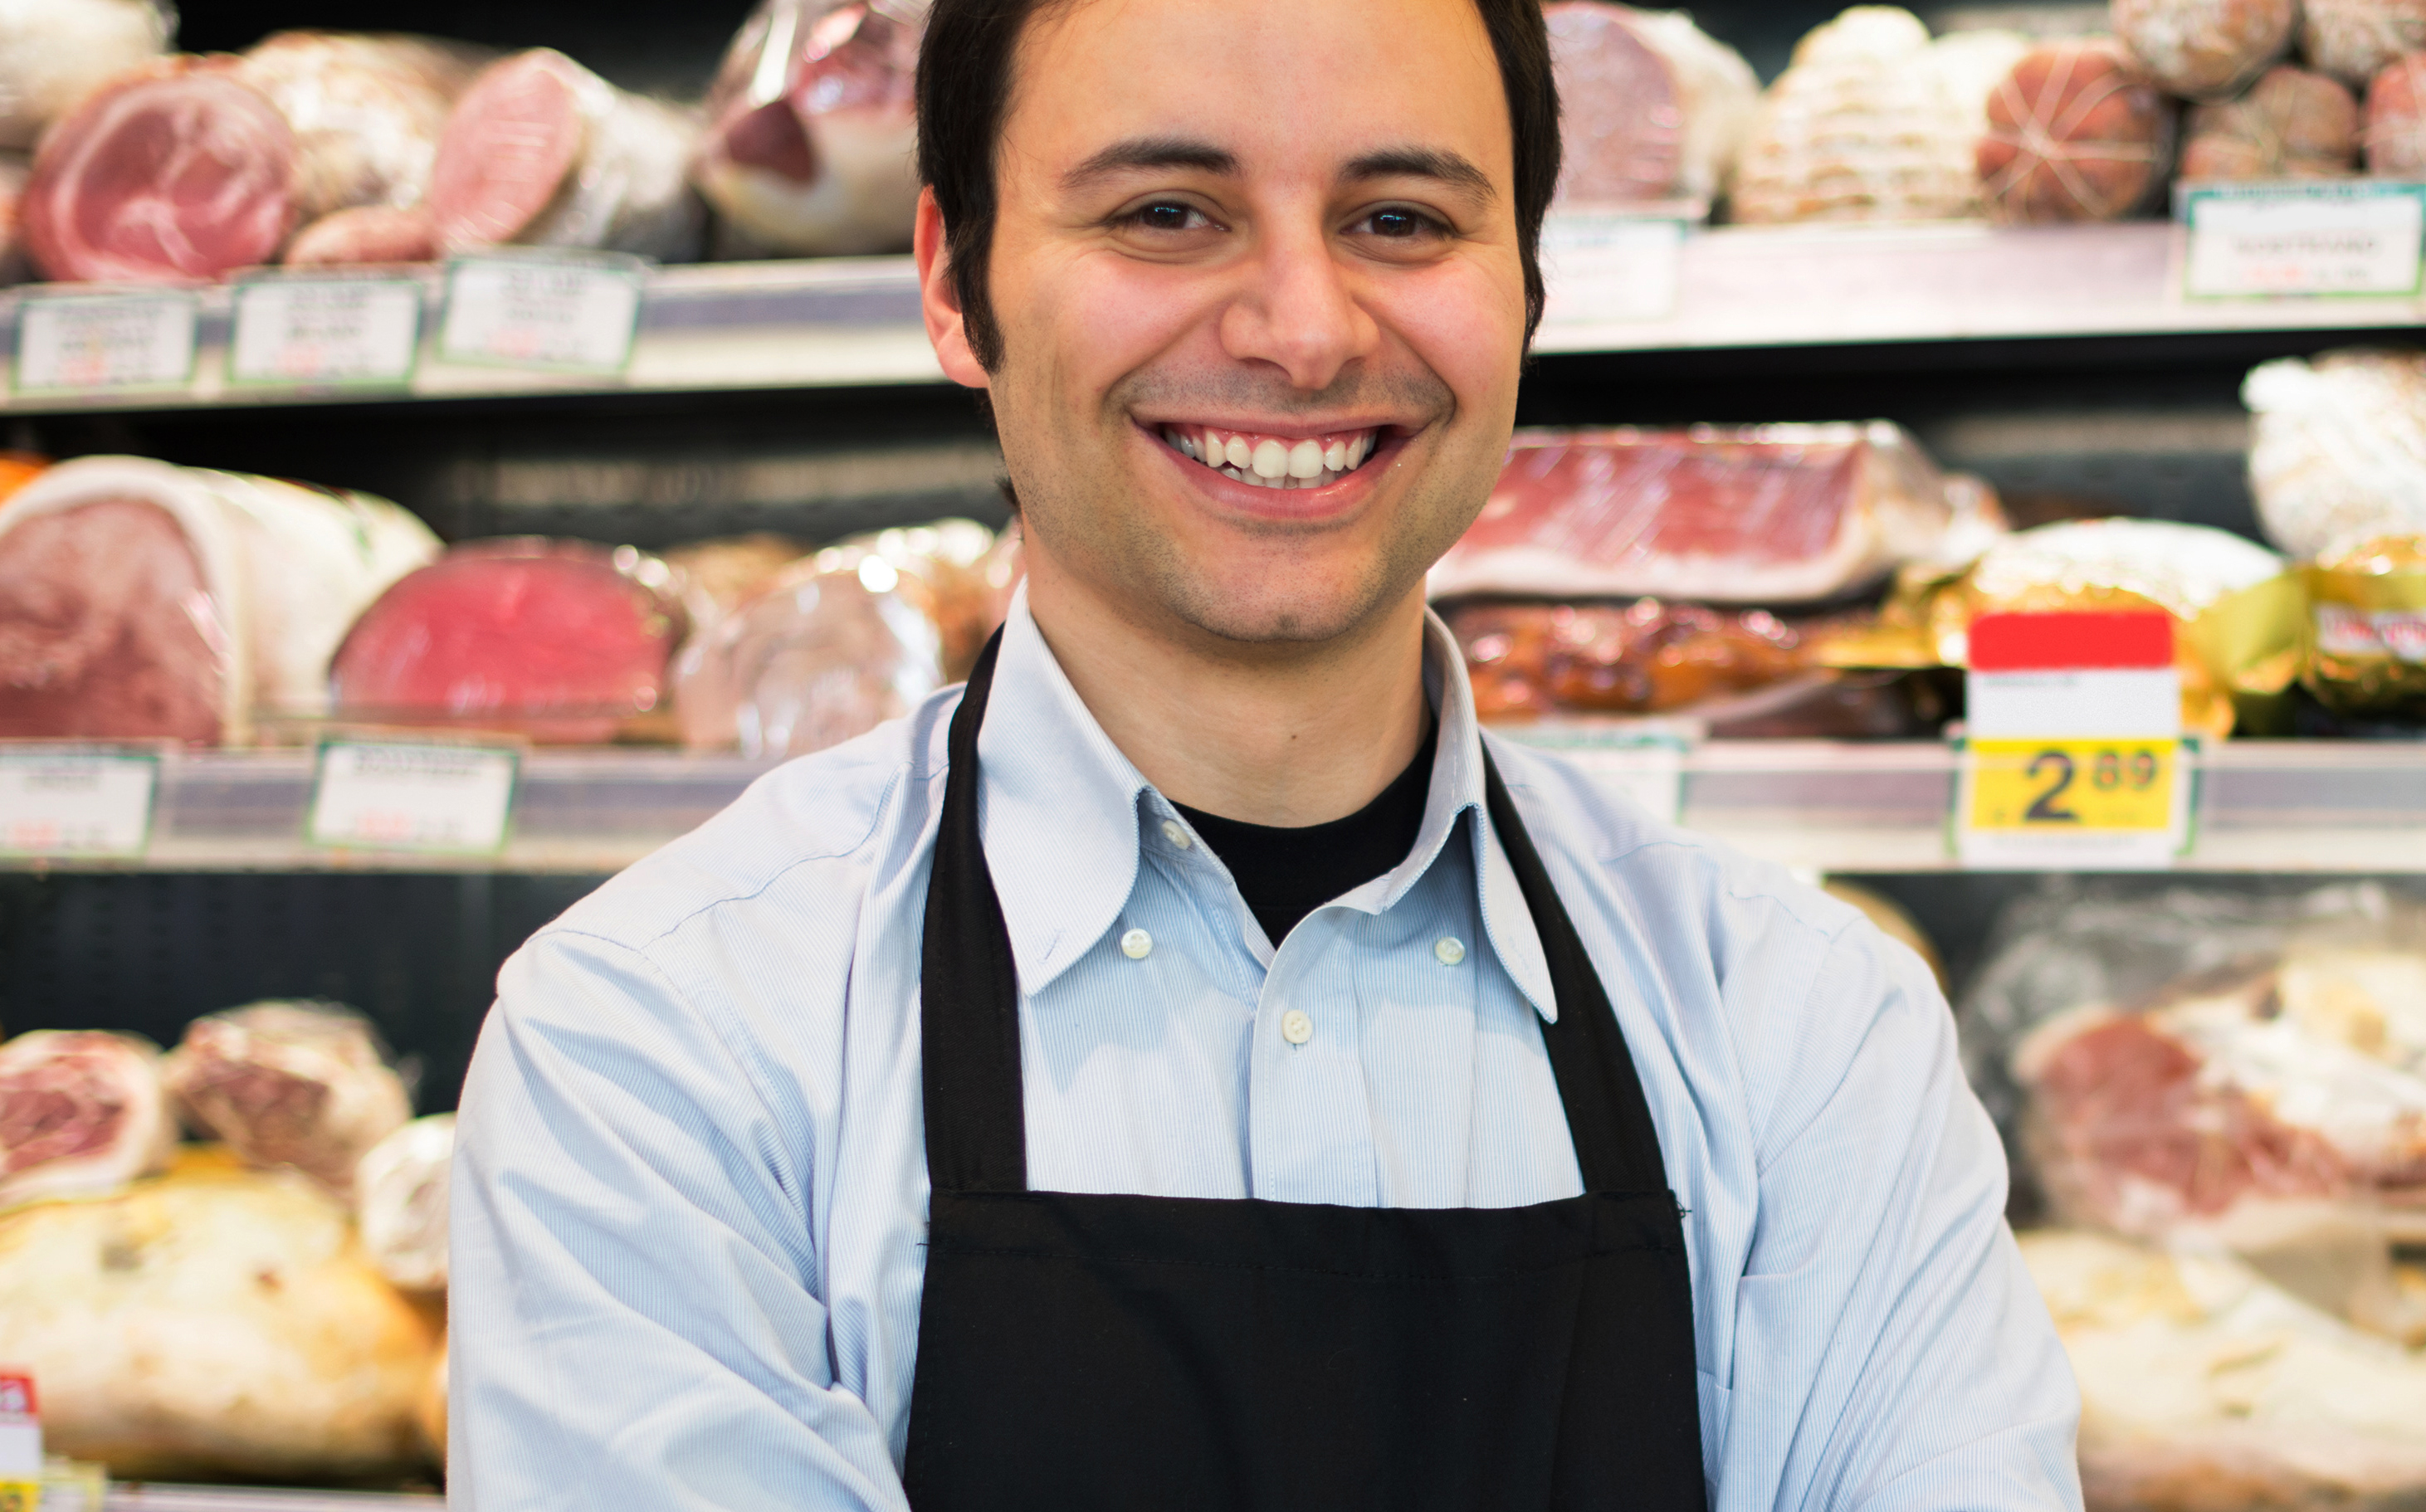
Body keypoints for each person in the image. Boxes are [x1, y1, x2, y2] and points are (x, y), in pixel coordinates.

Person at [442, 0, 2081, 1506]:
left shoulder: (1806, 1027)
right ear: (957, 283)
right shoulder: (664, 1044)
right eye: (1167, 211)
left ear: (1527, 287)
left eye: (1402, 220)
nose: (1304, 330)